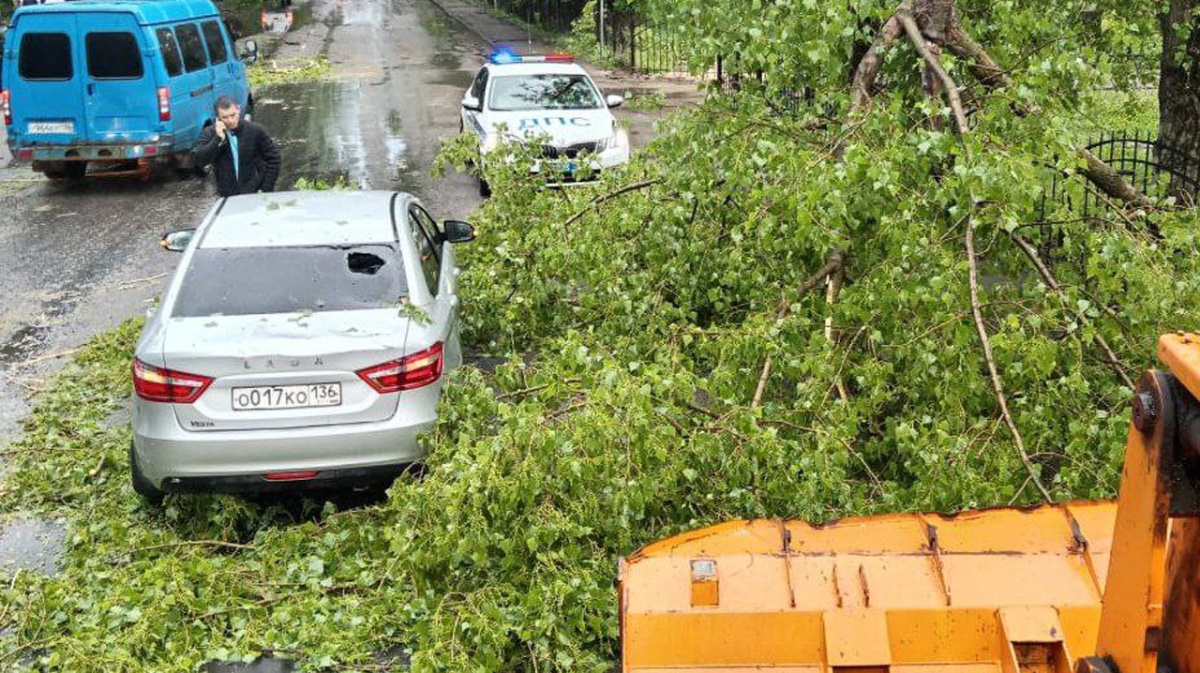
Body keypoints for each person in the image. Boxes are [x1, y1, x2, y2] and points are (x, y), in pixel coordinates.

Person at [193, 96, 281, 197]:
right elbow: (199, 161)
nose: (230, 120)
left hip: (254, 192)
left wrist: (265, 188)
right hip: (226, 195)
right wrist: (218, 140)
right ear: (217, 118)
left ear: (238, 110)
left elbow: (274, 159)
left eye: (233, 115)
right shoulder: (209, 133)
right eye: (225, 117)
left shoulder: (255, 131)